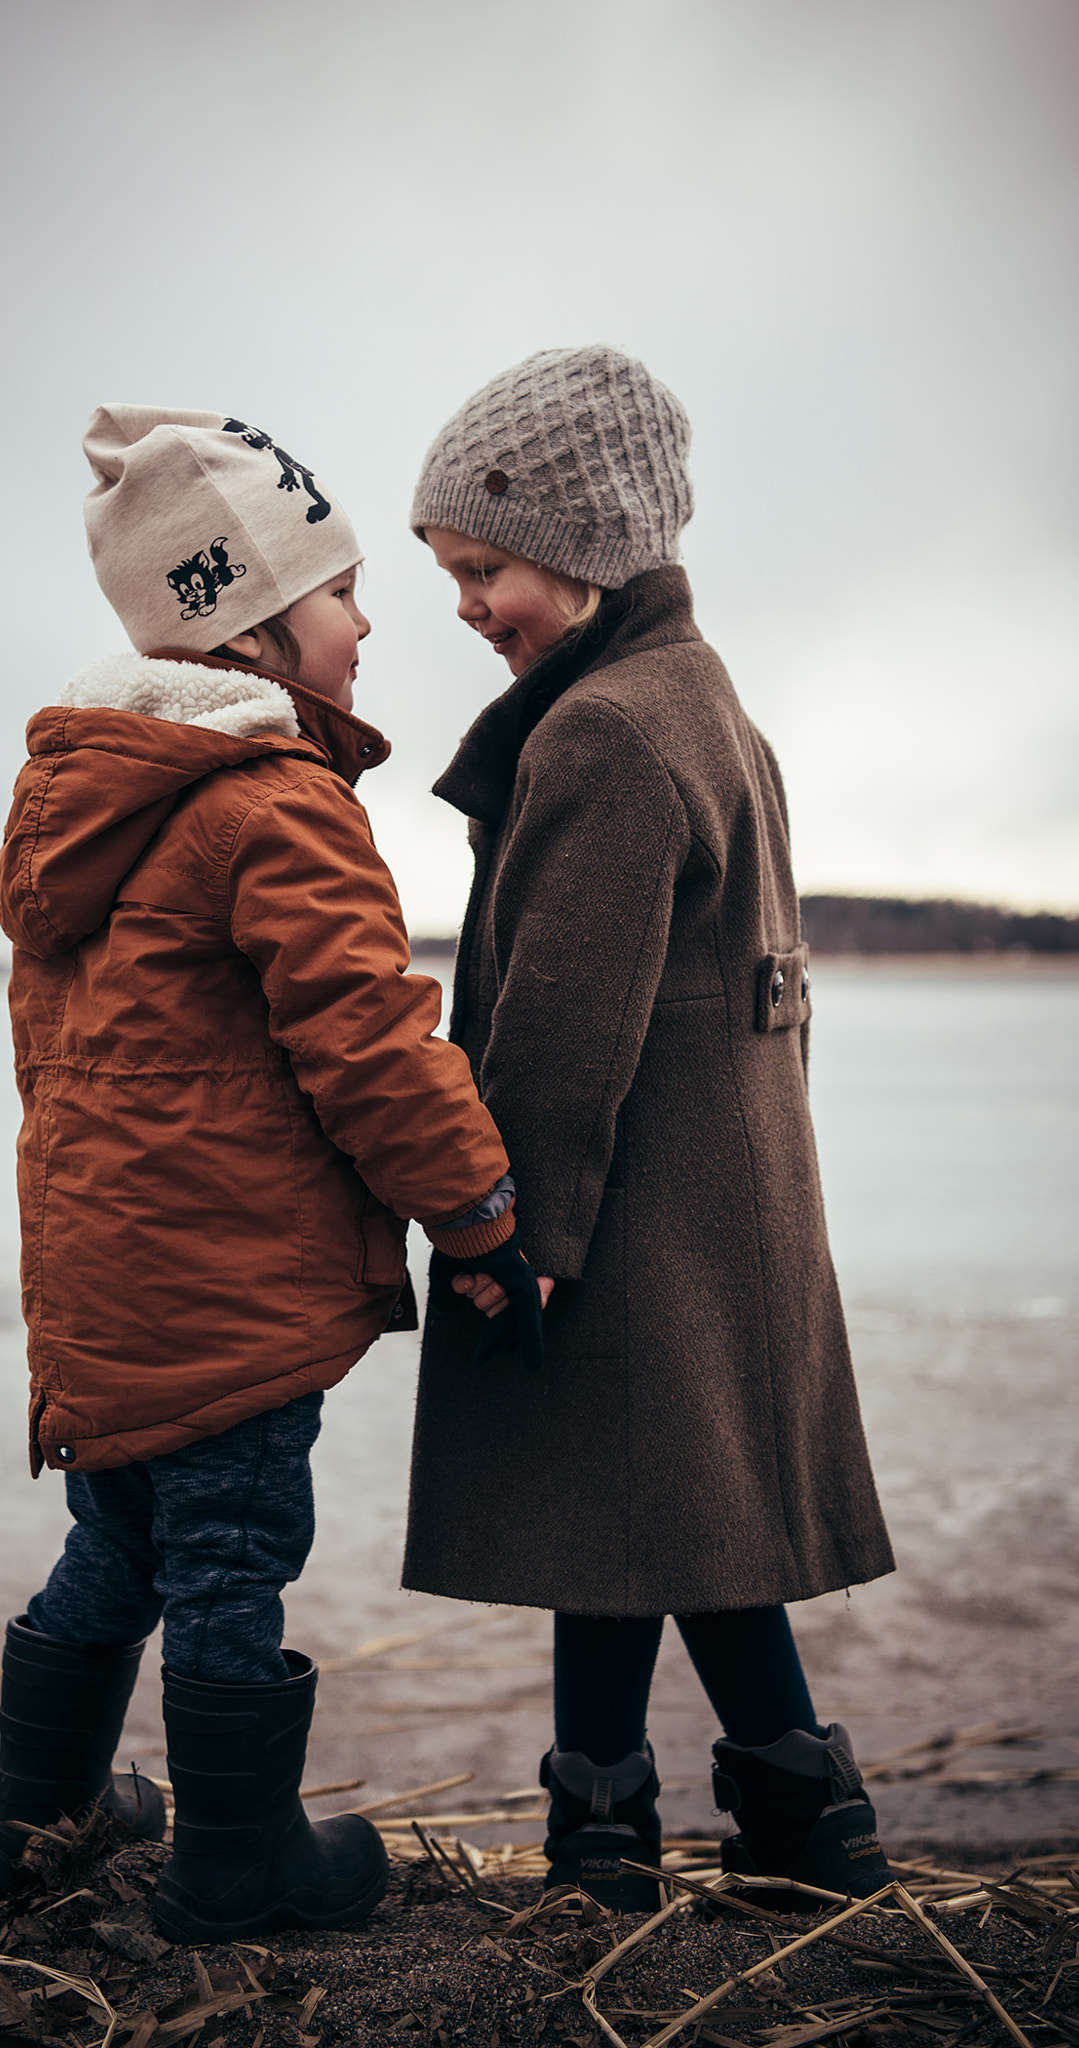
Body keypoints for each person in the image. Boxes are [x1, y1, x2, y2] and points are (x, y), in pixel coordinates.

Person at [0, 404, 543, 1939]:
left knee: (123, 1541)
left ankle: (35, 1815)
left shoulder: (87, 807)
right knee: (230, 1553)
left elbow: (62, 1061)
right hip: (225, 1283)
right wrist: (479, 1211)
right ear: (252, 623)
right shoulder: (276, 805)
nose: (369, 623)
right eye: (341, 591)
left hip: (101, 1275)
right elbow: (370, 1041)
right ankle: (236, 1862)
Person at [403, 347, 897, 1908]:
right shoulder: (703, 699)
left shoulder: (608, 732)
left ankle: (644, 1840)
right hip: (710, 1201)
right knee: (639, 1516)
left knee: (646, 1510)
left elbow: (561, 1022)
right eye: (449, 575)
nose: (467, 605)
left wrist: (513, 1232)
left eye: (485, 567)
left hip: (626, 1216)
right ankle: (749, 1827)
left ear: (592, 542)